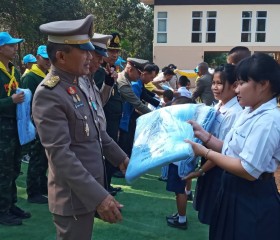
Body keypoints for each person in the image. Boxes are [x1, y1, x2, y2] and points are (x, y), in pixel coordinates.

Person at [32, 15, 129, 240]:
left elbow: (97, 133)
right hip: (74, 196)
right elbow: (61, 155)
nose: (90, 56)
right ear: (61, 56)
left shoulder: (75, 86)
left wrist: (122, 159)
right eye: (83, 51)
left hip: (87, 190)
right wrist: (99, 197)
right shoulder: (50, 94)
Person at [185, 53, 280, 240]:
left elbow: (248, 170)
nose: (237, 89)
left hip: (251, 199)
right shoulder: (249, 111)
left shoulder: (268, 121)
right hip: (233, 191)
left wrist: (206, 152)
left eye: (242, 82)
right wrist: (204, 135)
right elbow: (230, 150)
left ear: (263, 85)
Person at [185, 64, 242, 225]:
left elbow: (224, 150)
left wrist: (200, 171)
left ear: (234, 86)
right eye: (214, 83)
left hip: (218, 168)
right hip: (209, 163)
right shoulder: (216, 107)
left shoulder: (234, 113)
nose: (215, 87)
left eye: (220, 83)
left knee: (217, 218)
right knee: (209, 215)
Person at [0, 31, 31, 226]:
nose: (14, 48)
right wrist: (10, 101)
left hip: (15, 125)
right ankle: (2, 211)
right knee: (2, 170)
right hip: (2, 127)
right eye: (11, 45)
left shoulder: (15, 71)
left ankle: (11, 204)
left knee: (13, 168)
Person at [94, 32, 126, 181]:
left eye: (116, 51)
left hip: (112, 120)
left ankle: (107, 184)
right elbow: (98, 101)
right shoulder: (98, 72)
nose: (114, 54)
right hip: (103, 120)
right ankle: (105, 184)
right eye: (111, 50)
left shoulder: (109, 71)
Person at [22, 45, 51, 204]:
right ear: (37, 57)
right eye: (44, 58)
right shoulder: (30, 77)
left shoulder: (46, 75)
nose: (47, 61)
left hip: (46, 122)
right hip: (35, 123)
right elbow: (27, 104)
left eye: (49, 58)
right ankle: (33, 191)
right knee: (36, 158)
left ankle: (41, 185)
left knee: (43, 157)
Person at [166, 96, 194, 230]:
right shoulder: (189, 125)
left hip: (178, 164)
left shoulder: (182, 127)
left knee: (179, 192)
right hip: (184, 163)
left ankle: (182, 219)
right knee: (181, 189)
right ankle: (180, 214)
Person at [117, 57, 150, 156]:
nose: (140, 77)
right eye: (139, 73)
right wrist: (155, 114)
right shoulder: (123, 83)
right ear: (130, 70)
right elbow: (137, 104)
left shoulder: (127, 80)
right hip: (119, 121)